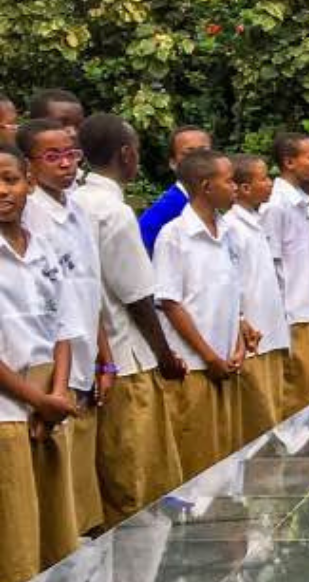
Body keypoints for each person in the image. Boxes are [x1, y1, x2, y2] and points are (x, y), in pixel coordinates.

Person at [70, 114, 184, 528]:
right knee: (135, 477)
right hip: (127, 356)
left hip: (96, 358)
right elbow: (136, 294)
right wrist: (165, 354)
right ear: (126, 153)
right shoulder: (112, 211)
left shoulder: (75, 201)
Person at [18, 118, 107, 537]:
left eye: (71, 154)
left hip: (83, 362)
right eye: (52, 156)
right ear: (29, 167)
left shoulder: (77, 209)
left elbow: (89, 290)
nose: (66, 164)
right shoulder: (29, 216)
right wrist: (54, 387)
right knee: (52, 499)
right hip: (50, 374)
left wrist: (105, 358)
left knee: (80, 495)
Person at [0, 145, 83, 581]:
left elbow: (63, 328)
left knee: (56, 534)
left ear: (29, 182)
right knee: (15, 537)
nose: (3, 190)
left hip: (47, 407)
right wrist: (36, 399)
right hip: (9, 411)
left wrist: (57, 393)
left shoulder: (46, 250)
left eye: (10, 179)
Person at [152, 150, 245, 483]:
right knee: (197, 459)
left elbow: (234, 296)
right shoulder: (174, 236)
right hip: (196, 366)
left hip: (227, 362)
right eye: (230, 180)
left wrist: (237, 346)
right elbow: (171, 302)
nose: (236, 187)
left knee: (227, 453)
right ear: (206, 186)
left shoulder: (230, 232)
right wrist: (208, 356)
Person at [262, 131, 309, 414]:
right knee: (296, 402)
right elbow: (272, 265)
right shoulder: (275, 206)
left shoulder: (301, 204)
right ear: (289, 162)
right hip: (293, 317)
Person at [225, 155, 289, 445]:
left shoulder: (255, 221)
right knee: (259, 422)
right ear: (244, 188)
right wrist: (241, 320)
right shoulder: (232, 227)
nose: (270, 183)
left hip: (272, 333)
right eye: (263, 178)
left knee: (275, 413)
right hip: (254, 338)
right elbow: (233, 282)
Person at [136, 127, 212, 254]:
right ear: (173, 163)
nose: (200, 160)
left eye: (205, 152)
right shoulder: (159, 217)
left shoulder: (220, 205)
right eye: (189, 154)